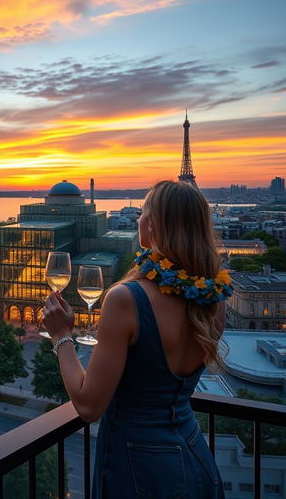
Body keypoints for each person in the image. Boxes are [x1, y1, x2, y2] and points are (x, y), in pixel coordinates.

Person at [43, 180, 230, 499]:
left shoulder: (126, 299)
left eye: (143, 212)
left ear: (153, 225)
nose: (138, 220)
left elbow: (88, 405)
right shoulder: (214, 298)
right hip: (195, 454)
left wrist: (62, 337)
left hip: (138, 467)